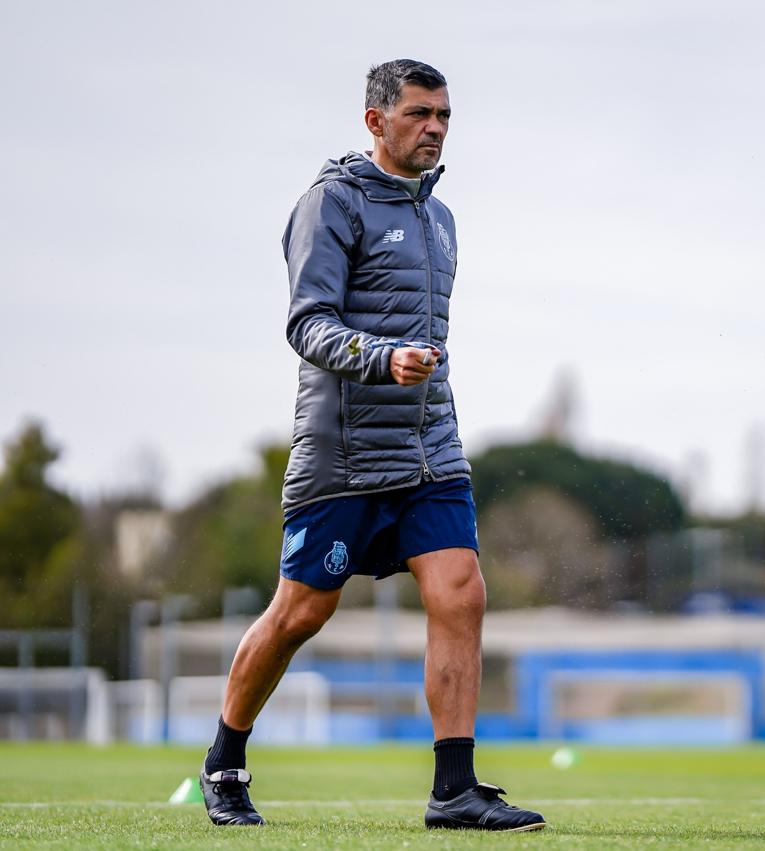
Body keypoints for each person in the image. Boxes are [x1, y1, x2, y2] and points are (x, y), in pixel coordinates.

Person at [198, 59, 546, 833]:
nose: (435, 128)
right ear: (375, 121)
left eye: (445, 116)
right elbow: (307, 323)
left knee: (462, 590)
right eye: (420, 113)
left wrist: (419, 377)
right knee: (300, 612)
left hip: (430, 450)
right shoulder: (331, 202)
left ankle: (454, 788)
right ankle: (225, 759)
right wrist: (381, 357)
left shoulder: (441, 217)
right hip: (344, 455)